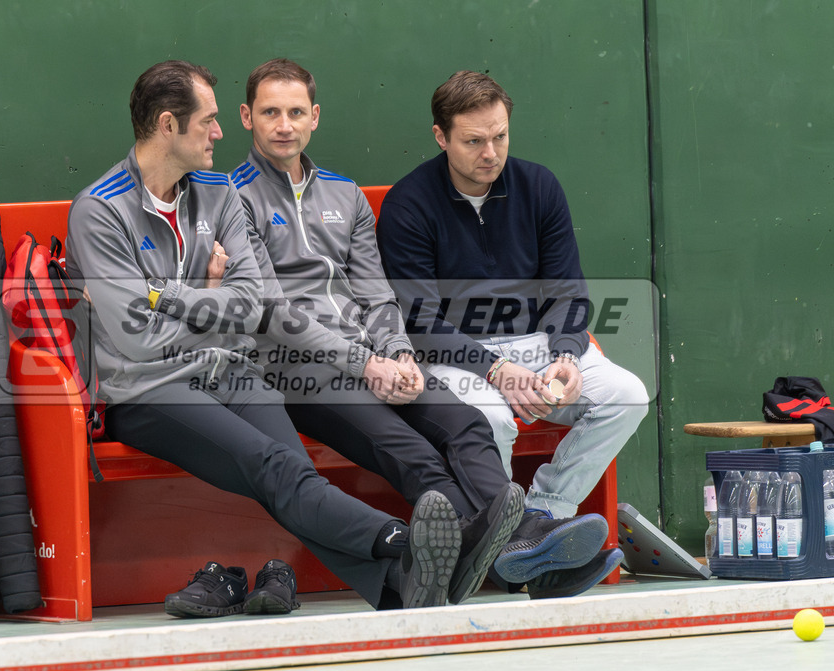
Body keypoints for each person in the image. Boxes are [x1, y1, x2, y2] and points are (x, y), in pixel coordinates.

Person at [64, 60, 497, 614]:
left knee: (292, 478)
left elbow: (258, 302)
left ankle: (398, 587)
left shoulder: (218, 193)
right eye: (210, 121)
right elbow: (140, 343)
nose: (220, 132)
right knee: (277, 468)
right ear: (169, 126)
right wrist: (219, 304)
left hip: (234, 371)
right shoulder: (99, 211)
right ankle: (404, 541)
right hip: (152, 390)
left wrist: (169, 295)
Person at [232, 58, 621, 600]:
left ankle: (521, 543)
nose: (284, 124)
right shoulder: (228, 198)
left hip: (379, 358)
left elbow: (378, 294)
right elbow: (272, 310)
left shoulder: (344, 197)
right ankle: (523, 555)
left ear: (314, 116)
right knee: (412, 453)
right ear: (247, 117)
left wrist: (397, 354)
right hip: (298, 369)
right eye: (271, 112)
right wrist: (369, 363)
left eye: (296, 111)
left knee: (464, 425)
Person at [376, 70, 650, 538]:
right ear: (441, 137)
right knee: (492, 419)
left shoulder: (539, 186)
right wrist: (497, 370)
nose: (490, 153)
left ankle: (544, 516)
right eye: (474, 141)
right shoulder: (410, 203)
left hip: (541, 346)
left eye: (500, 136)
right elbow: (419, 321)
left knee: (627, 396)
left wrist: (566, 355)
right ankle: (499, 540)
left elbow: (568, 290)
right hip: (455, 355)